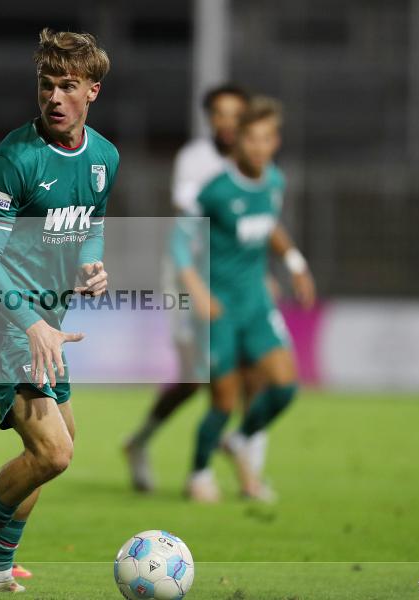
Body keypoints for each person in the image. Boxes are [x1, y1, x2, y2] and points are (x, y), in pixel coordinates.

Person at [0, 29, 118, 597]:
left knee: (51, 450)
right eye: (46, 85)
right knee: (52, 451)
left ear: (92, 91)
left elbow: (92, 224)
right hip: (2, 327)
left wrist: (92, 267)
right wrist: (33, 323)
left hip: (49, 329)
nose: (54, 97)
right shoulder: (12, 160)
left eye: (68, 86)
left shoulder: (104, 156)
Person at [124, 84, 269, 494]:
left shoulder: (255, 162)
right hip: (192, 273)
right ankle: (141, 442)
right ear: (210, 119)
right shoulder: (195, 159)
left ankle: (247, 470)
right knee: (196, 377)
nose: (227, 121)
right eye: (219, 113)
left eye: (235, 114)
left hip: (236, 277)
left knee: (254, 369)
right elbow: (190, 223)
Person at [169, 96, 315, 501]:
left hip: (255, 303)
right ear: (239, 142)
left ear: (276, 142)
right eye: (250, 138)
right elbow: (181, 242)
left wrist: (295, 263)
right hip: (217, 307)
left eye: (266, 138)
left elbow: (270, 227)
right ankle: (198, 474)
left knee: (285, 387)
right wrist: (196, 289)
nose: (257, 147)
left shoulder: (274, 182)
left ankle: (238, 442)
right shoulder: (215, 190)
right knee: (224, 399)